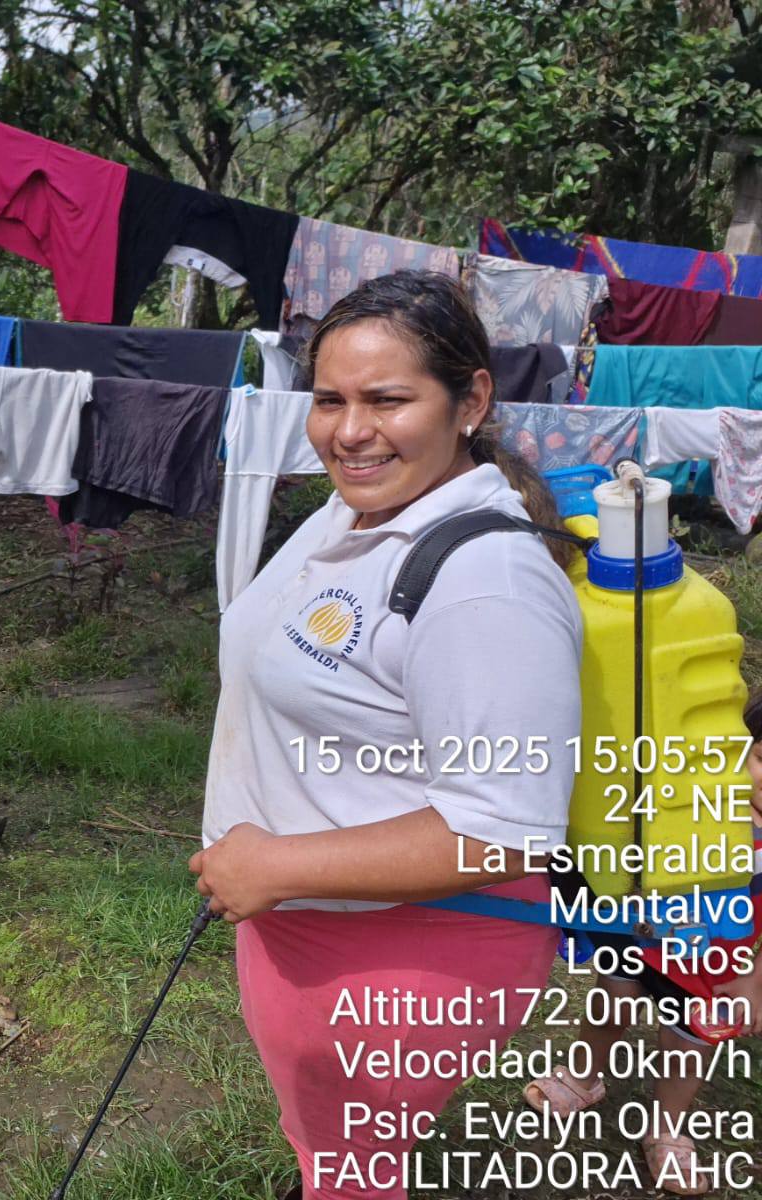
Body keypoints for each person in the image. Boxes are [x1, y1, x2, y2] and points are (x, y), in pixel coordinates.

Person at [189, 270, 583, 1200]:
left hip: (406, 947)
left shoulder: (488, 586)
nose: (350, 430)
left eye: (388, 400)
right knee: (332, 1147)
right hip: (308, 921)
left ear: (470, 401)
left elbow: (503, 832)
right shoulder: (358, 511)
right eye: (330, 399)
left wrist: (274, 866)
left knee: (353, 1169)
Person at [523, 690, 762, 1196]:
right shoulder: (695, 795)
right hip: (637, 933)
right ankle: (583, 1078)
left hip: (713, 966)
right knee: (610, 1005)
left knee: (687, 1046)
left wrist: (754, 980)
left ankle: (667, 1128)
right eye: (761, 758)